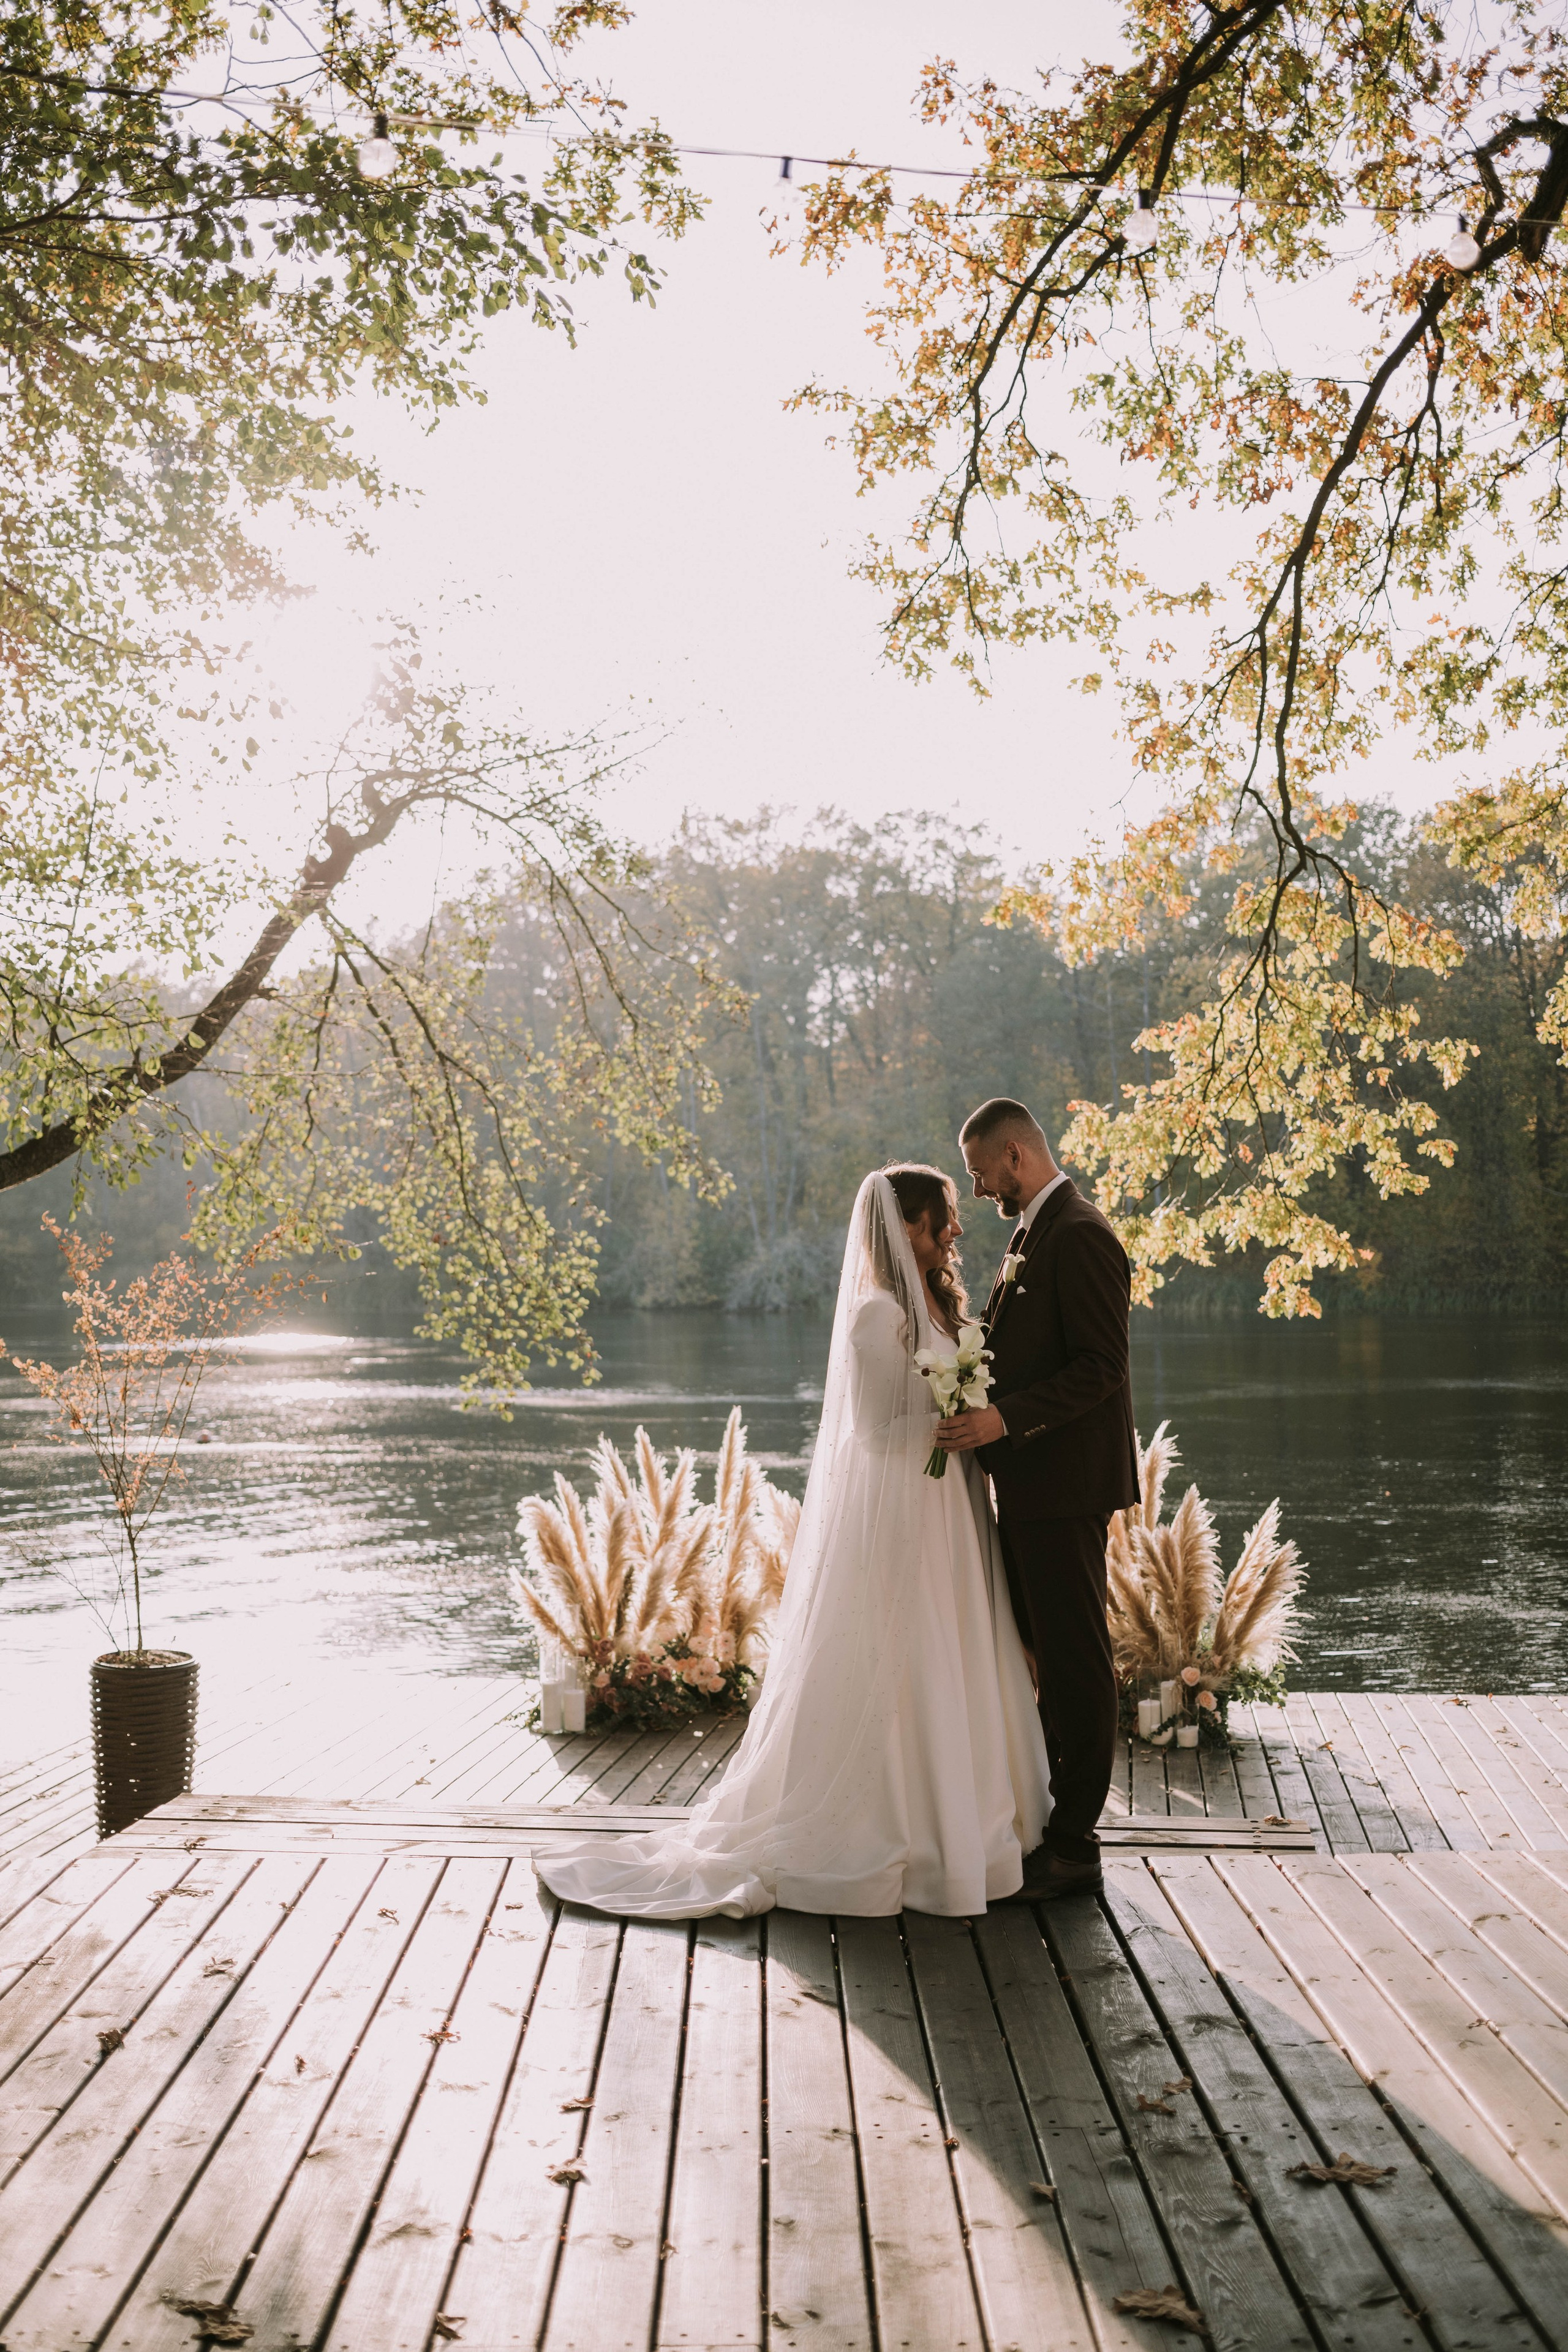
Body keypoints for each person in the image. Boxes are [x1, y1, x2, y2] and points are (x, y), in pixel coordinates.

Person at [533, 1165, 1050, 1919]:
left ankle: (970, 1820)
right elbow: (873, 1432)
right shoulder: (876, 1316)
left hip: (953, 1504)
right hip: (910, 1507)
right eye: (942, 1216)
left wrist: (967, 1418)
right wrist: (946, 1423)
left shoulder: (936, 1306)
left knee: (956, 1641)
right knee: (911, 1650)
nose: (955, 1229)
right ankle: (909, 1829)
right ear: (905, 1226)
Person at [933, 1097, 1139, 1901]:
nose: (980, 1190)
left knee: (1076, 1660)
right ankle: (1050, 1825)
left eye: (982, 1173)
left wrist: (1003, 1419)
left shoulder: (1080, 1234)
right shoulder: (1032, 1233)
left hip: (1065, 1486)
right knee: (1044, 1655)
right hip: (1031, 1483)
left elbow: (1102, 1367)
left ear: (1014, 1155)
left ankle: (1076, 1845)